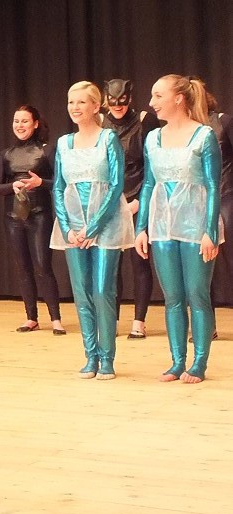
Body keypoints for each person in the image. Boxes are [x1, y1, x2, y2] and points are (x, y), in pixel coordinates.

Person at [135, 75, 222, 383]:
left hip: (196, 225)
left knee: (197, 294)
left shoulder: (204, 136)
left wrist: (210, 230)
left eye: (158, 96)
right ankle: (176, 361)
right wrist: (141, 227)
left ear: (178, 98)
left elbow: (213, 186)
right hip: (162, 226)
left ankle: (199, 362)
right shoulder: (152, 138)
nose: (152, 102)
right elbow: (148, 184)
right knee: (172, 297)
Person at [50, 82, 134, 379]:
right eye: (71, 102)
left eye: (81, 102)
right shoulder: (63, 143)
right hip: (73, 228)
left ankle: (107, 358)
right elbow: (58, 187)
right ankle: (91, 356)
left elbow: (116, 184)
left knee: (102, 291)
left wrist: (94, 227)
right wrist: (68, 227)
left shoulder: (108, 138)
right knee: (82, 293)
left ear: (96, 106)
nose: (75, 107)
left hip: (105, 225)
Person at [0, 105, 65, 335]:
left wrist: (40, 183)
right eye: (16, 121)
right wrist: (12, 185)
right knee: (23, 268)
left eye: (24, 121)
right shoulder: (6, 154)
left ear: (35, 124)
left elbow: (60, 182)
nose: (19, 125)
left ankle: (56, 319)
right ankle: (31, 317)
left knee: (43, 267)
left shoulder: (47, 151)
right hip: (13, 217)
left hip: (39, 215)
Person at [102, 79, 159, 339]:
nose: (117, 106)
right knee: (111, 264)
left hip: (139, 198)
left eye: (122, 102)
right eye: (112, 102)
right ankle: (111, 319)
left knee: (139, 261)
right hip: (111, 202)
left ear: (130, 99)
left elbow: (153, 165)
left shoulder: (145, 121)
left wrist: (140, 202)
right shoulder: (101, 123)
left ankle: (139, 321)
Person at [206, 90, 233, 324]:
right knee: (203, 263)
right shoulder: (186, 128)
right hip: (198, 200)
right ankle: (208, 324)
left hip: (226, 194)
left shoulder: (223, 121)